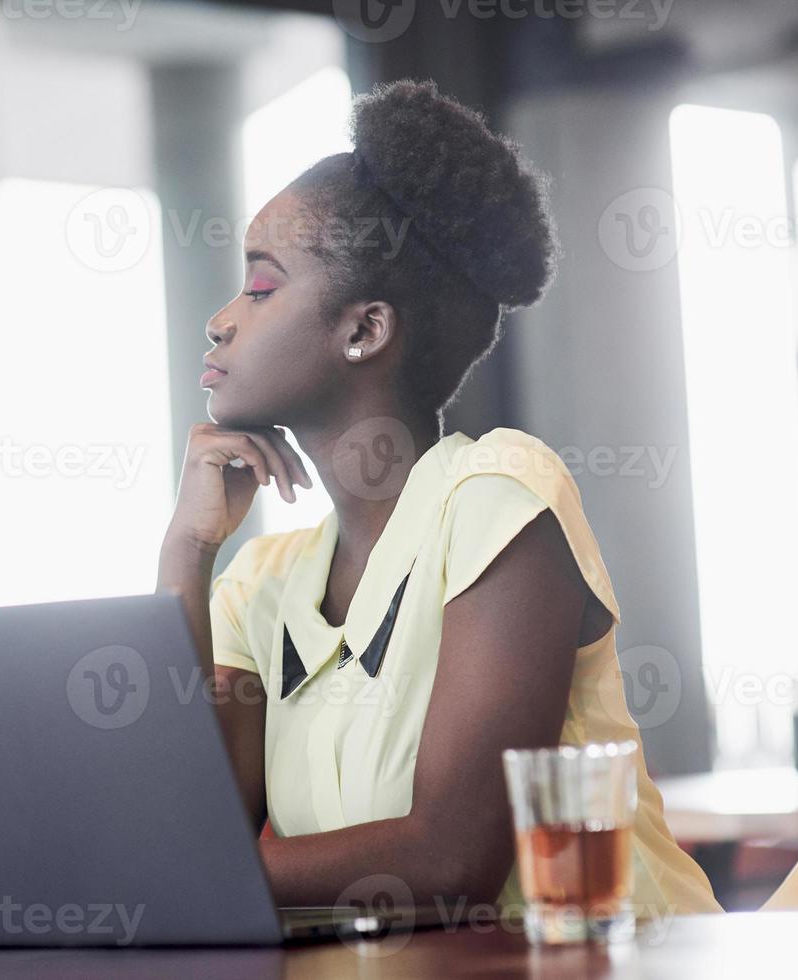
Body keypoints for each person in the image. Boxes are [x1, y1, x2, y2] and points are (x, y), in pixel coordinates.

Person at [155, 78, 720, 918]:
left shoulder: (499, 496)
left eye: (262, 288)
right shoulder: (259, 583)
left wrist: (156, 879)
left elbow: (451, 851)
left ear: (363, 331)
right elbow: (178, 831)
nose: (221, 319)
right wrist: (187, 553)